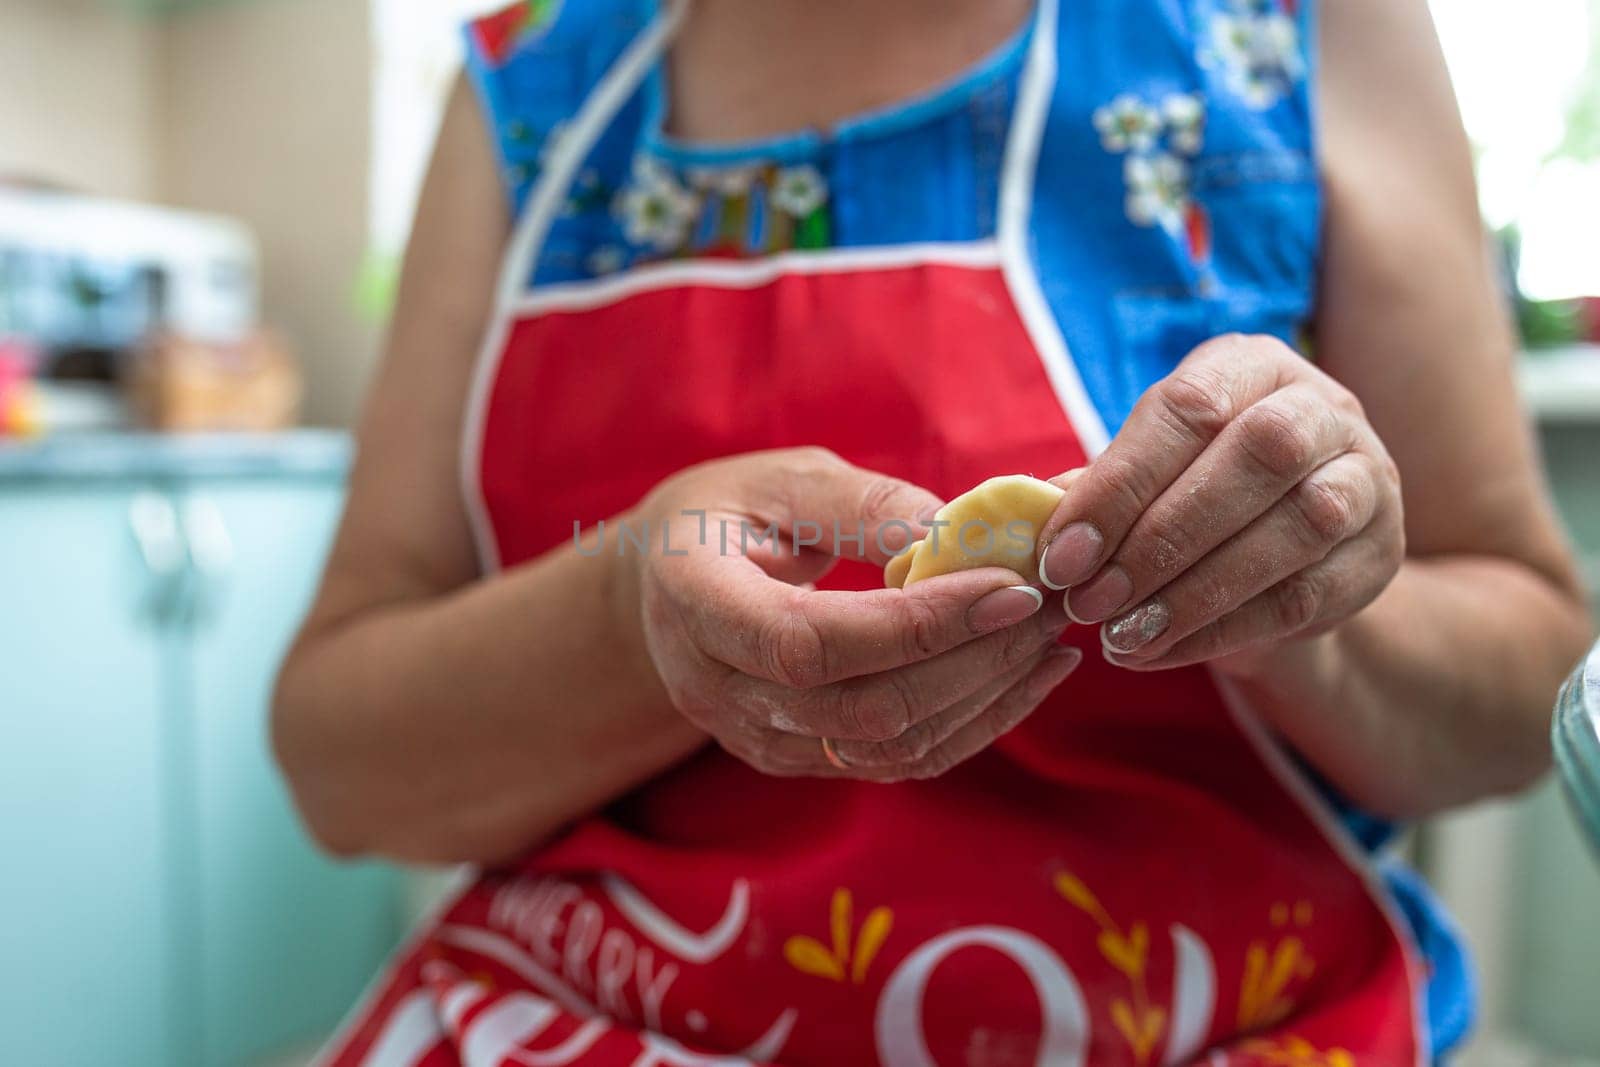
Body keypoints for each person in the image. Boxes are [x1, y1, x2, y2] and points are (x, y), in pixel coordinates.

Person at [274, 0, 1594, 1062]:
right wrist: (635, 615)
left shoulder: (1307, 30)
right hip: (590, 1017)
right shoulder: (536, 89)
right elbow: (340, 765)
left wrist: (1283, 597)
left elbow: (1524, 681)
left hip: (1214, 1020)